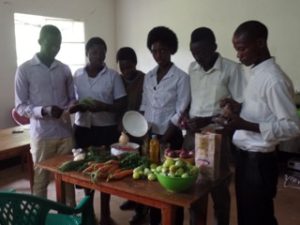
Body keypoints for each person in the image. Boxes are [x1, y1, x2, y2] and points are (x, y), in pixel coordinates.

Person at [219, 20, 300, 225]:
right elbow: (262, 111)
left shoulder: (274, 80)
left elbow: (292, 126)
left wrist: (243, 125)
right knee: (247, 215)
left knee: (259, 217)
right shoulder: (257, 72)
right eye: (237, 50)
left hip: (259, 163)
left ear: (260, 43)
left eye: (242, 49)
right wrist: (238, 106)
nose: (239, 55)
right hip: (245, 159)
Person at [184, 27, 246, 225]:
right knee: (194, 186)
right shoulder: (192, 68)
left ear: (214, 47)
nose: (198, 57)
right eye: (194, 52)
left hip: (217, 137)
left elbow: (239, 106)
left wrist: (208, 119)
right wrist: (187, 115)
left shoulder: (231, 69)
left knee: (218, 188)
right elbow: (193, 99)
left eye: (202, 52)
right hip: (193, 136)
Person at [15, 25, 76, 206]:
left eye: (58, 45)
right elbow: (20, 106)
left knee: (67, 179)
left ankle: (70, 215)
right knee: (41, 180)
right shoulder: (25, 70)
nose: (55, 49)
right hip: (42, 135)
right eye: (50, 45)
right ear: (40, 41)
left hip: (65, 133)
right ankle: (39, 218)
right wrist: (44, 110)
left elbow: (72, 98)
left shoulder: (64, 69)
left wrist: (71, 107)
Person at [69, 37, 127, 225]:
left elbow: (120, 104)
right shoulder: (77, 75)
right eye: (94, 52)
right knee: (86, 170)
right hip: (83, 128)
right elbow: (71, 100)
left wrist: (102, 106)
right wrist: (78, 106)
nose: (99, 56)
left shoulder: (113, 76)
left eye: (102, 52)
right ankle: (88, 212)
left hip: (106, 129)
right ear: (87, 54)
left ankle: (105, 213)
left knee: (106, 170)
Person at [140, 26, 191, 225]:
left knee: (172, 183)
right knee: (152, 182)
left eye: (162, 50)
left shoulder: (181, 77)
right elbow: (145, 106)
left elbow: (180, 111)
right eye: (154, 50)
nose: (158, 54)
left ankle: (175, 221)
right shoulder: (149, 76)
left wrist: (164, 139)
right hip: (151, 136)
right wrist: (145, 134)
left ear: (171, 50)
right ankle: (154, 220)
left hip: (171, 137)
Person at [116, 47, 148, 225]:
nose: (126, 70)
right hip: (122, 130)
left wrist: (135, 122)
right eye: (122, 67)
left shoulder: (144, 79)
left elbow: (147, 104)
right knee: (126, 169)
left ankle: (141, 210)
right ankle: (132, 199)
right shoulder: (117, 80)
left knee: (140, 170)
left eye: (129, 66)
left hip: (139, 129)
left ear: (135, 63)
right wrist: (121, 123)